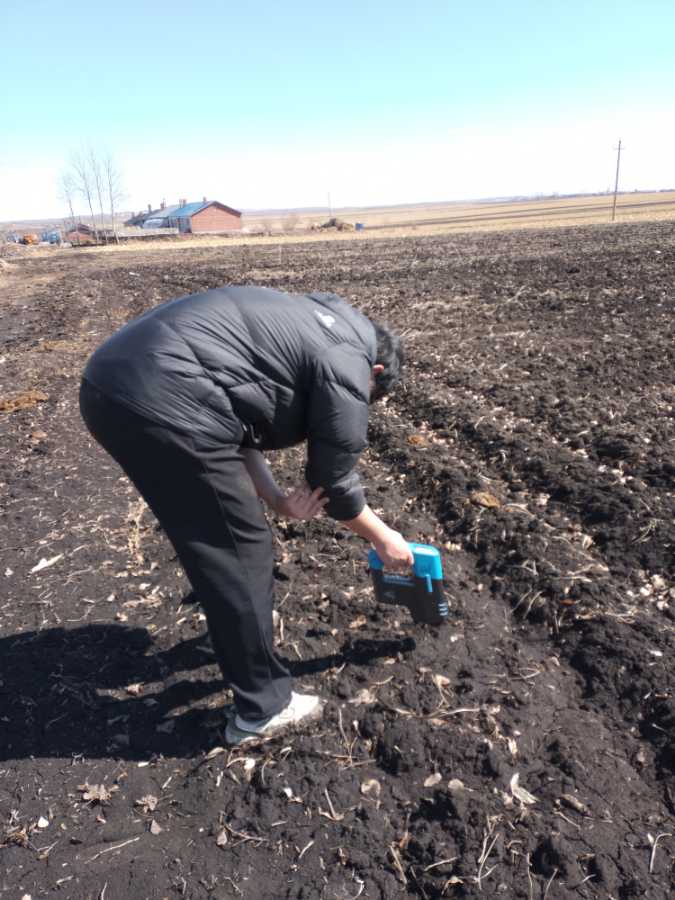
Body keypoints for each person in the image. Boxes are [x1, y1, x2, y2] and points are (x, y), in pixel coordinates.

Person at [79, 284, 413, 746]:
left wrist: (275, 498)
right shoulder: (347, 361)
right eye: (370, 396)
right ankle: (263, 707)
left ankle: (233, 627)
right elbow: (334, 482)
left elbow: (236, 424)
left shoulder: (312, 325)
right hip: (163, 395)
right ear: (375, 371)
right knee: (239, 549)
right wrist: (383, 537)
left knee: (217, 533)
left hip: (109, 388)